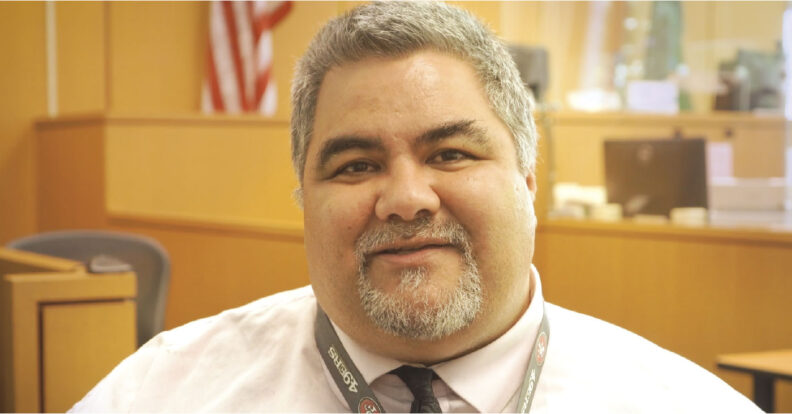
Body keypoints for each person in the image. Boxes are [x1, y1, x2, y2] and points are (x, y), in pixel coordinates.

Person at [71, 2, 761, 413]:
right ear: (303, 200)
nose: (405, 199)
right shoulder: (162, 391)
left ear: (527, 180)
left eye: (451, 154)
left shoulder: (681, 404)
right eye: (356, 165)